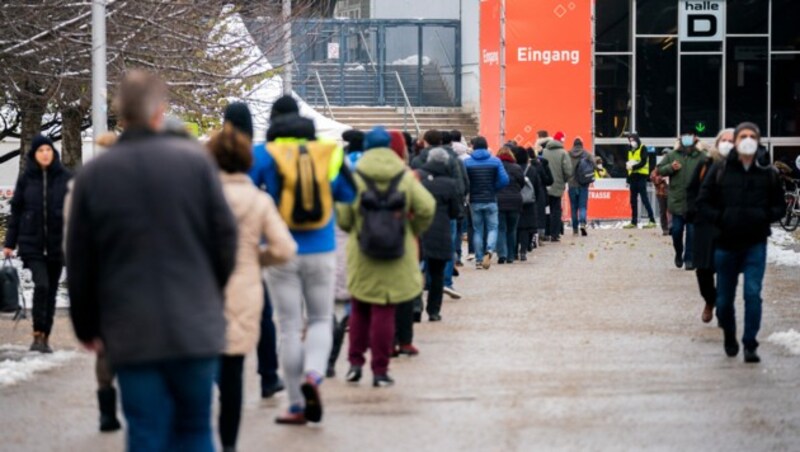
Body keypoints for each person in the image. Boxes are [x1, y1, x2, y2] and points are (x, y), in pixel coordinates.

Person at [67, 71, 238, 452]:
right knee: (195, 430)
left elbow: (81, 259)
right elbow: (226, 240)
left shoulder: (96, 176)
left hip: (131, 330)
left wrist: (87, 325)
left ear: (120, 115)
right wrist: (210, 292)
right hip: (195, 324)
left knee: (145, 432)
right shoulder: (195, 164)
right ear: (160, 111)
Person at [256, 95, 357, 425]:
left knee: (287, 326)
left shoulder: (265, 153)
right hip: (323, 248)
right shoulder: (329, 152)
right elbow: (350, 194)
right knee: (319, 319)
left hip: (281, 250)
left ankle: (297, 404)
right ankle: (314, 375)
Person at [207, 114, 297, 451]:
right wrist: (254, 258)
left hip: (202, 287)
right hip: (244, 287)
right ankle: (229, 443)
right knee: (234, 366)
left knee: (204, 360)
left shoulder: (200, 197)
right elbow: (284, 248)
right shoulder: (258, 201)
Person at [337, 126, 435, 387]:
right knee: (384, 310)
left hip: (362, 251)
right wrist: (411, 229)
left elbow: (343, 216)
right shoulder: (403, 177)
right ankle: (380, 369)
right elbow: (427, 207)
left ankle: (355, 364)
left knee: (359, 308)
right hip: (396, 251)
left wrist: (355, 229)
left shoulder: (354, 176)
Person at [696, 122, 784, 363]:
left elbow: (779, 206)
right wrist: (721, 218)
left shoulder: (768, 172)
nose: (747, 139)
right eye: (742, 136)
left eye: (751, 136)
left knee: (752, 293)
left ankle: (750, 344)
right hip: (726, 244)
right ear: (735, 141)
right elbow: (703, 201)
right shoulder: (720, 169)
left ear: (758, 141)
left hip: (755, 244)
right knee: (723, 300)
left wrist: (763, 216)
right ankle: (730, 336)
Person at [4, 134, 71, 353]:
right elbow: (16, 213)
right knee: (41, 285)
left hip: (56, 245)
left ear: (54, 153)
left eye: (48, 150)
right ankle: (36, 333)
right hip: (31, 245)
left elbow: (74, 213)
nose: (45, 154)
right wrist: (10, 243)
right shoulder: (26, 179)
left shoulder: (64, 178)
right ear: (34, 154)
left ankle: (45, 335)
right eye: (41, 150)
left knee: (50, 291)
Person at [688, 128, 733, 324]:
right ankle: (710, 300)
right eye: (724, 140)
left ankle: (723, 307)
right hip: (705, 225)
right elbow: (691, 190)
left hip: (730, 227)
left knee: (725, 270)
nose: (727, 144)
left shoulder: (744, 166)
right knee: (703, 271)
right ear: (716, 143)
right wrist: (692, 211)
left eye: (731, 141)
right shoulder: (706, 164)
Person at [417, 148, 459, 320]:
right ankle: (433, 311)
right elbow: (455, 211)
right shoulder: (450, 184)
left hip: (419, 229)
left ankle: (414, 306)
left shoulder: (420, 181)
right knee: (437, 274)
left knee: (415, 271)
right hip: (441, 230)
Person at [657, 128, 706, 270]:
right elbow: (659, 170)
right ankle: (679, 252)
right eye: (685, 136)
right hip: (677, 202)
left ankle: (689, 259)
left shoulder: (701, 156)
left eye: (690, 136)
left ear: (695, 138)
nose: (687, 138)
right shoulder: (672, 155)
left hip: (694, 203)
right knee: (677, 232)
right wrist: (670, 168)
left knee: (691, 233)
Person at [464, 136, 509, 269]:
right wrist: (494, 188)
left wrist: (470, 190)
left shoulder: (467, 162)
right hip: (491, 199)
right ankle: (489, 250)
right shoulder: (495, 161)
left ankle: (478, 259)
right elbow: (505, 180)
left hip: (475, 200)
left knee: (477, 230)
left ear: (473, 147)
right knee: (493, 228)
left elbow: (464, 181)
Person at [496, 146, 525, 264]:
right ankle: (511, 255)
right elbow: (522, 183)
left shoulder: (496, 167)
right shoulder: (517, 167)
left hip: (499, 200)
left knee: (501, 228)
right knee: (512, 229)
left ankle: (502, 254)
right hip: (515, 200)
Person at [623, 133, 657, 229]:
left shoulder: (643, 148)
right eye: (630, 140)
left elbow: (643, 162)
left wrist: (633, 166)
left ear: (637, 139)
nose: (631, 142)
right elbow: (628, 166)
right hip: (633, 177)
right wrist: (627, 179)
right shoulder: (630, 150)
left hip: (641, 177)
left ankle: (652, 220)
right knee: (633, 200)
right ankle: (634, 221)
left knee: (644, 199)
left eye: (632, 140)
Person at [542, 138, 573, 242]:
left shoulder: (544, 152)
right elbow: (568, 171)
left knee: (546, 209)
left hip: (545, 185)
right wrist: (564, 179)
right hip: (558, 185)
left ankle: (545, 233)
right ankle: (555, 234)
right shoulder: (563, 153)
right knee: (556, 210)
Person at [514, 147, 540, 261]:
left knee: (515, 227)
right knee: (525, 228)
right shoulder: (532, 170)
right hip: (528, 202)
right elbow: (537, 187)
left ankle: (513, 251)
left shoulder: (513, 169)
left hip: (515, 200)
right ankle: (523, 251)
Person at [567, 138, 596, 236]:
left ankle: (575, 229)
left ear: (573, 145)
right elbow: (594, 164)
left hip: (572, 184)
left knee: (573, 207)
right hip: (583, 184)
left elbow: (565, 168)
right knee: (582, 206)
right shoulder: (586, 154)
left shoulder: (568, 154)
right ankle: (583, 223)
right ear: (581, 145)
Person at [650, 151, 671, 236]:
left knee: (672, 211)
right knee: (663, 211)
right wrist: (662, 178)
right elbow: (652, 177)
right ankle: (665, 229)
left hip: (672, 192)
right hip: (661, 193)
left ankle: (671, 227)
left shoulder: (673, 167)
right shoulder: (658, 167)